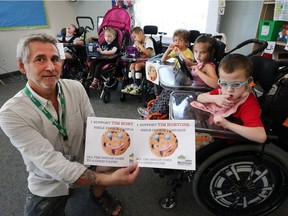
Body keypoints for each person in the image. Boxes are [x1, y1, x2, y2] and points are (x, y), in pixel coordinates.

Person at [0, 33, 140, 216]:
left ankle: (97, 194)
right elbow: (52, 164)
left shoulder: (75, 88)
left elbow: (94, 130)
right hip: (48, 178)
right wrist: (108, 179)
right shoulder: (11, 113)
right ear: (22, 66)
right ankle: (100, 183)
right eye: (40, 59)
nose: (51, 67)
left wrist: (126, 144)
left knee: (120, 156)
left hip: (84, 159)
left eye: (55, 59)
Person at [137, 34, 218, 118]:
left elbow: (215, 84)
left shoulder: (208, 66)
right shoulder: (200, 64)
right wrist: (179, 53)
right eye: (196, 52)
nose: (198, 55)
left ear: (210, 53)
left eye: (203, 52)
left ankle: (156, 111)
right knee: (167, 89)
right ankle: (154, 109)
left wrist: (198, 72)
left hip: (198, 92)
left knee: (171, 91)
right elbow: (189, 63)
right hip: (191, 88)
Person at [192, 53, 267, 143]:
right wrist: (215, 98)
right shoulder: (222, 91)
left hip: (226, 141)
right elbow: (200, 98)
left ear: (248, 82)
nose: (229, 90)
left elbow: (261, 136)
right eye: (224, 83)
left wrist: (227, 124)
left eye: (236, 84)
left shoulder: (248, 104)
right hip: (212, 132)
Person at [121, 26, 155, 95]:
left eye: (135, 37)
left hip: (149, 61)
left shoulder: (148, 41)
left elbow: (148, 53)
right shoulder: (138, 42)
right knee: (131, 65)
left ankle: (138, 86)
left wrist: (139, 45)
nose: (134, 39)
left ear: (140, 33)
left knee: (137, 65)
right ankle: (131, 85)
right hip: (141, 60)